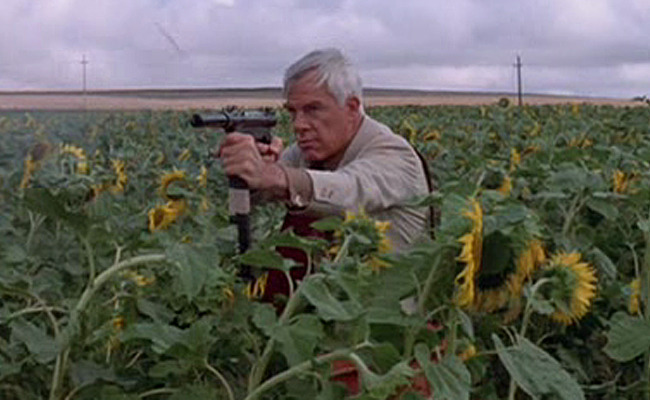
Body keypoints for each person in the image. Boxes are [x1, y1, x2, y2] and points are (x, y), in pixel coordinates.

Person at [219, 48, 432, 302]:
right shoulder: (306, 152)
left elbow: (349, 190)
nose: (298, 125)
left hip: (379, 316)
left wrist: (273, 175)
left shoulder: (395, 154)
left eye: (313, 110)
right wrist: (251, 172)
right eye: (293, 112)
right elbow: (263, 191)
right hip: (317, 305)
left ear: (351, 108)